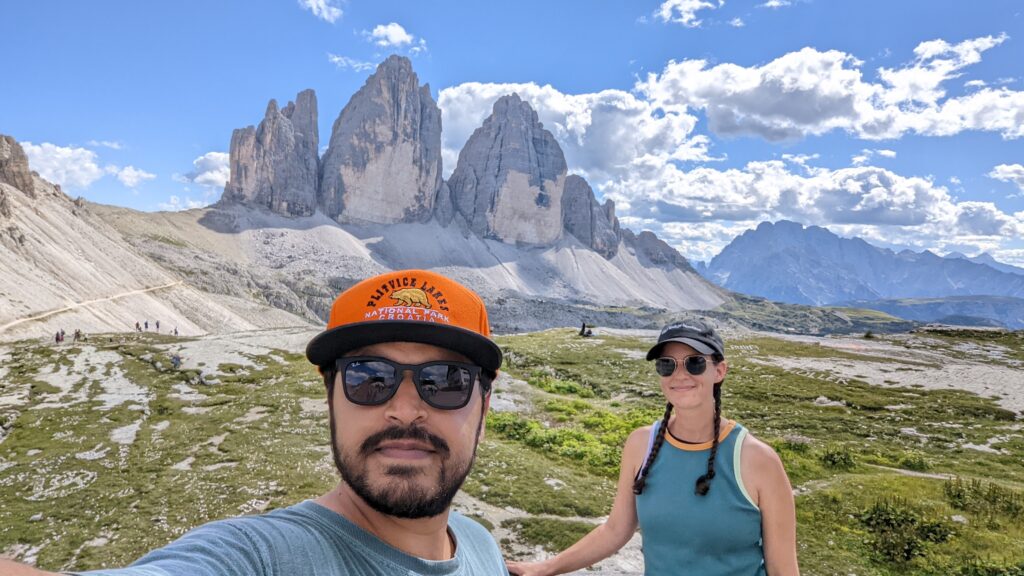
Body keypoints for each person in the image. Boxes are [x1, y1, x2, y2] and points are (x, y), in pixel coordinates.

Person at [2, 269, 508, 576]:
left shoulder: (481, 545)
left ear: (483, 410)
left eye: (445, 381)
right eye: (368, 377)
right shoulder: (261, 557)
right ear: (331, 397)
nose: (403, 409)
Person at [507, 319, 799, 576]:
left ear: (719, 371)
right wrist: (544, 568)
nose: (679, 375)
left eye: (695, 362)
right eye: (667, 365)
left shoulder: (758, 460)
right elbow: (615, 531)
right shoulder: (641, 445)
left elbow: (783, 570)